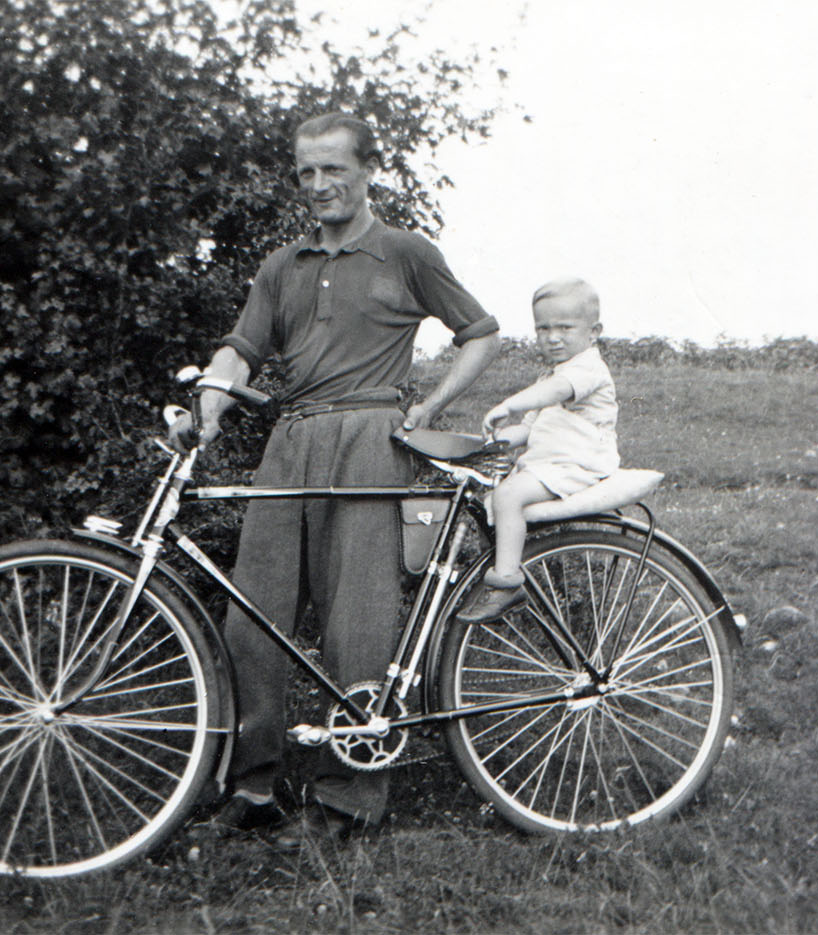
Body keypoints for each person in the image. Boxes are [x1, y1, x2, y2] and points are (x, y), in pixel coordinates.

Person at [167, 113, 499, 845]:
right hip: (292, 439)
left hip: (371, 440)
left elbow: (480, 331)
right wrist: (210, 407)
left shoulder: (405, 252)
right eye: (306, 173)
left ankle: (348, 797)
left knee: (358, 619)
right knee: (251, 615)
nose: (318, 186)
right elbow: (240, 351)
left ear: (366, 170)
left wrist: (432, 402)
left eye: (333, 170)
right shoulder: (281, 264)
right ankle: (252, 785)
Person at [456, 278, 619, 623]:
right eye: (543, 328)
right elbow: (529, 428)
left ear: (594, 332)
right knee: (498, 495)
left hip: (580, 464)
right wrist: (496, 440)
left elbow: (556, 392)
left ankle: (507, 582)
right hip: (553, 464)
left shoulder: (587, 368)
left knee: (508, 496)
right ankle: (508, 560)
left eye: (564, 327)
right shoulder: (552, 374)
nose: (552, 337)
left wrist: (509, 403)